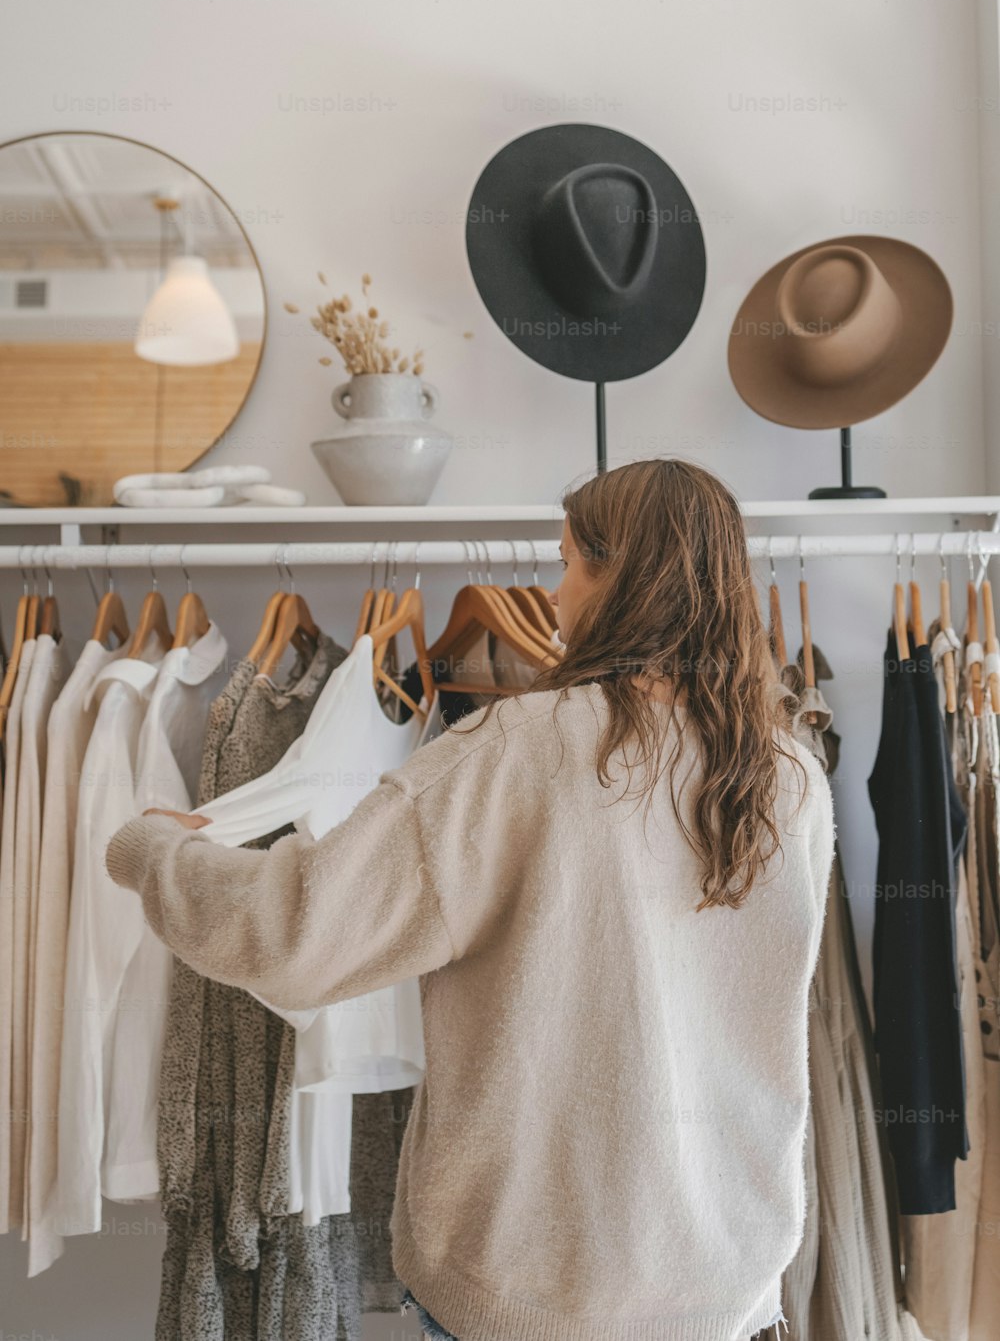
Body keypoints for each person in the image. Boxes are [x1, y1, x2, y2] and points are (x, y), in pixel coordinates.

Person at [106, 457, 835, 1341]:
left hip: (527, 1291)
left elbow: (300, 934)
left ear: (621, 580)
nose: (554, 595)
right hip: (728, 1288)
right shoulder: (789, 774)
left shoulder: (519, 751)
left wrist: (156, 850)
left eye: (568, 562)